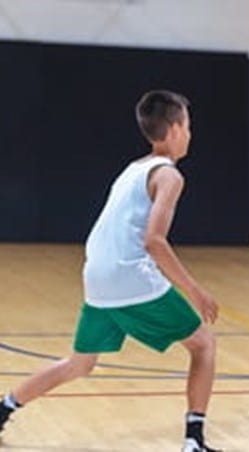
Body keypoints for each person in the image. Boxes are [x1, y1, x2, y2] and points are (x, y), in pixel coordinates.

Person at [0, 90, 221, 452]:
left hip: (96, 278)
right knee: (204, 344)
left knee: (80, 363)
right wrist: (195, 291)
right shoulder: (169, 176)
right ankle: (193, 442)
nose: (191, 134)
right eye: (189, 126)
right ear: (176, 128)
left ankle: (4, 407)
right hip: (129, 276)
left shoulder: (133, 168)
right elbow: (154, 241)